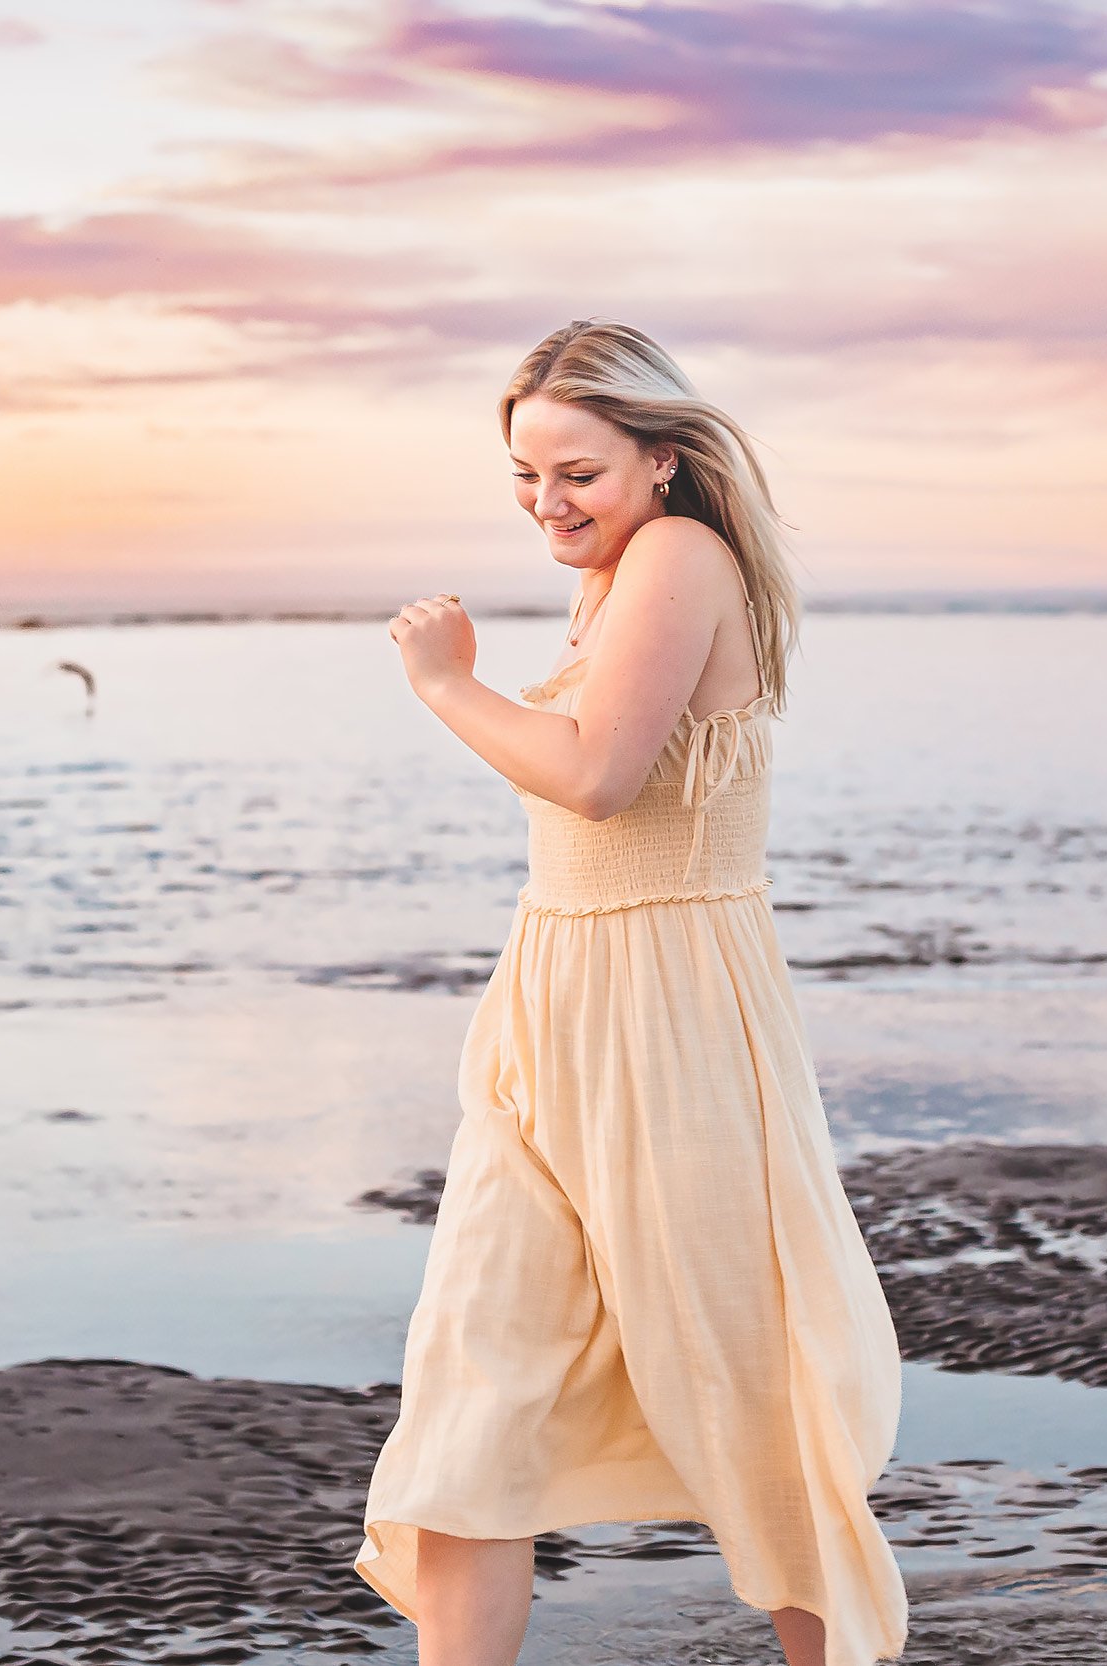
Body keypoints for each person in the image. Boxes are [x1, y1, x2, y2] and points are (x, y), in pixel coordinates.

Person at [358, 319, 908, 1666]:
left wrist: (446, 685)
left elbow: (598, 774)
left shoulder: (678, 556)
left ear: (662, 459)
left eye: (577, 472)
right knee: (468, 1397)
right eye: (524, 478)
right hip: (552, 1004)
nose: (549, 502)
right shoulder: (611, 577)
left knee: (749, 1393)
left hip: (673, 1021)